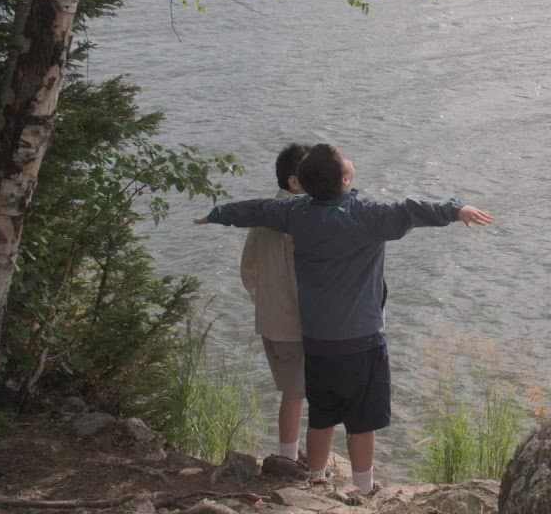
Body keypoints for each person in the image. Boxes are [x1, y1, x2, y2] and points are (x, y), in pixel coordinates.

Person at [196, 143, 494, 493]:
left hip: (318, 340)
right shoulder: (367, 215)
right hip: (362, 339)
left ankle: (316, 479)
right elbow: (412, 210)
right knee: (361, 421)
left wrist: (217, 214)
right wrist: (457, 208)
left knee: (321, 415)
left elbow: (256, 210)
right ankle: (364, 488)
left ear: (304, 184)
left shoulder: (297, 214)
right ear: (345, 179)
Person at [240, 142, 310, 463]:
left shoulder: (264, 214)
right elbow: (300, 279)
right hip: (294, 324)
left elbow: (248, 269)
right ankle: (288, 458)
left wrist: (263, 300)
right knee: (296, 394)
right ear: (295, 183)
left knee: (293, 391)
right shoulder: (295, 221)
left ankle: (292, 451)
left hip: (269, 320)